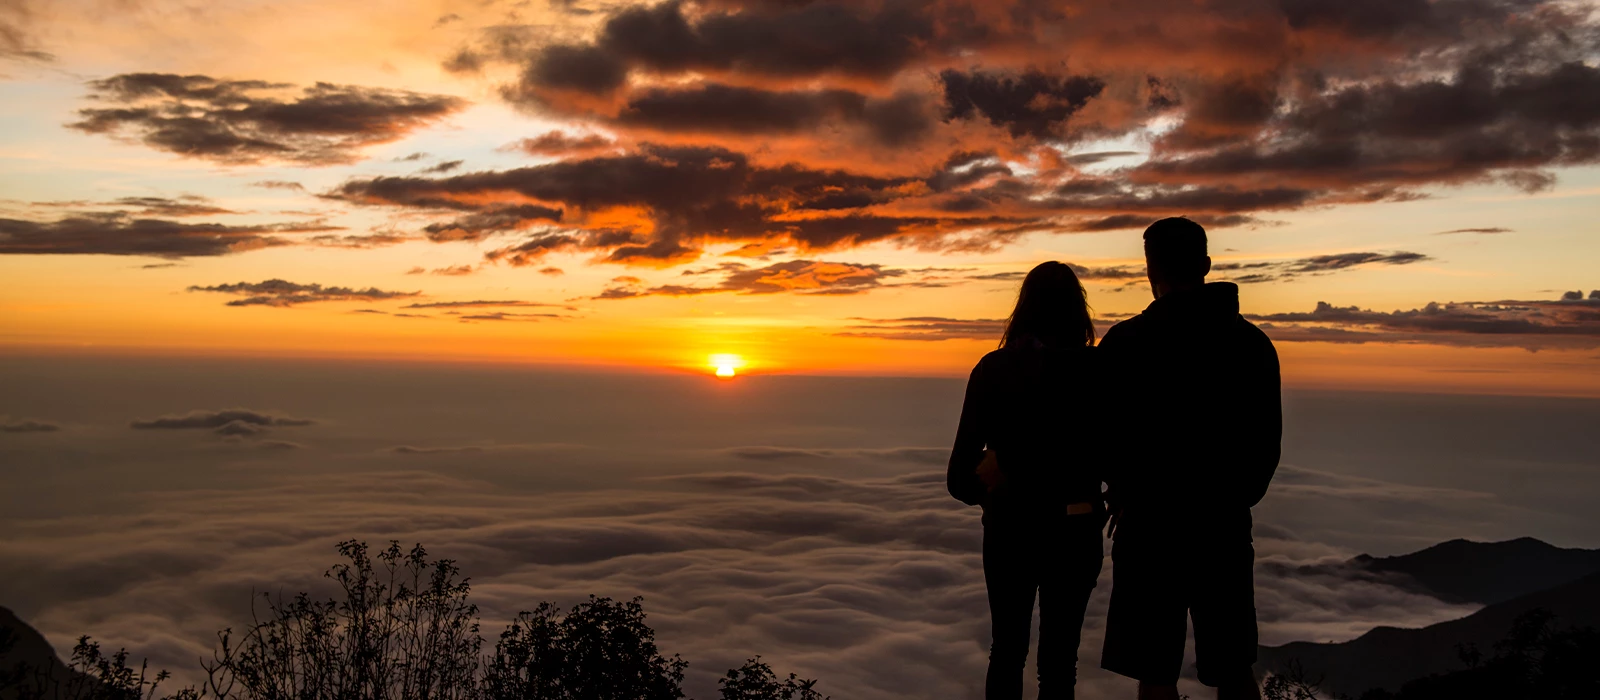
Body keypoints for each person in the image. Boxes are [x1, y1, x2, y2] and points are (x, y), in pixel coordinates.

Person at [1097, 217, 1282, 700]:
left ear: (1149, 268)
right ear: (1205, 264)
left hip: (1147, 527)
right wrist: (1226, 499)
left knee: (1154, 672)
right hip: (1221, 527)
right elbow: (1264, 446)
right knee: (1233, 667)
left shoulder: (1125, 344)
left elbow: (1101, 436)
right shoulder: (1251, 346)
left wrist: (1124, 490)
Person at [947, 261, 1107, 700]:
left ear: (1023, 308)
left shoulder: (994, 370)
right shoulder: (1101, 372)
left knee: (1007, 652)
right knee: (1060, 664)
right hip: (1077, 529)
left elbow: (959, 478)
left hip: (1010, 530)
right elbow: (1118, 457)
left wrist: (1000, 482)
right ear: (1079, 310)